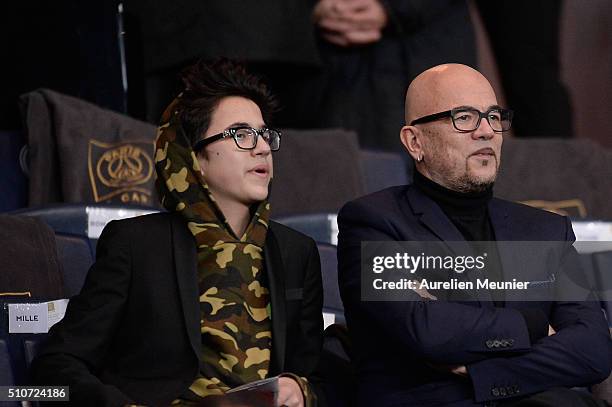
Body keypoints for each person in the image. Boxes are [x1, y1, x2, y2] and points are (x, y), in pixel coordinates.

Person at [32, 59, 324, 407]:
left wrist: (301, 388)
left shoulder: (296, 251)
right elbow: (57, 365)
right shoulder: (137, 245)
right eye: (241, 134)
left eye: (264, 134)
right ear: (194, 156)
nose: (262, 147)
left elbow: (321, 375)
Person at [337, 63, 612, 406]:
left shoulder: (545, 229)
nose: (486, 131)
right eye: (464, 117)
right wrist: (534, 325)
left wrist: (485, 373)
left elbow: (594, 349)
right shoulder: (374, 221)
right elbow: (424, 329)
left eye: (494, 116)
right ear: (414, 141)